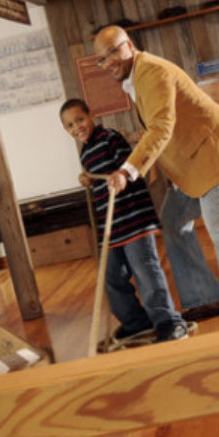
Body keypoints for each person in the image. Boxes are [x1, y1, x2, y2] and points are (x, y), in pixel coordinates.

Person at [92, 25, 219, 326]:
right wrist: (135, 139)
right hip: (193, 165)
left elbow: (162, 127)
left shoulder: (150, 72)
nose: (109, 61)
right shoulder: (135, 77)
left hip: (215, 154)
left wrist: (127, 169)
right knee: (174, 221)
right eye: (101, 59)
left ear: (130, 45)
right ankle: (204, 297)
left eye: (114, 51)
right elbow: (164, 124)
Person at [60, 98, 191, 346]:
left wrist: (121, 178)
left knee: (146, 273)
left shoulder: (111, 138)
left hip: (134, 220)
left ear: (92, 116)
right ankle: (136, 323)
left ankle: (169, 322)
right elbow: (100, 176)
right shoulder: (86, 151)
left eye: (80, 119)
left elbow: (132, 168)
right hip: (112, 228)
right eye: (69, 125)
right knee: (112, 278)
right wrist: (88, 179)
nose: (77, 127)